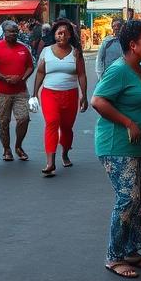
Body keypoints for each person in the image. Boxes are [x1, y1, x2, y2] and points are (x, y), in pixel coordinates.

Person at [91, 19, 141, 279]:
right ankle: (114, 255)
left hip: (140, 145)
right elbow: (98, 101)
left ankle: (131, 250)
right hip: (117, 145)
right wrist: (128, 122)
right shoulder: (119, 70)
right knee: (127, 198)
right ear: (133, 45)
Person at [33, 19, 88, 176]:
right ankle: (50, 162)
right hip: (50, 93)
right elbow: (40, 73)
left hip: (70, 94)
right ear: (54, 35)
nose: (61, 35)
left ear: (70, 35)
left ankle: (64, 153)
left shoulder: (76, 53)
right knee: (51, 123)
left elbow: (82, 75)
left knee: (66, 127)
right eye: (58, 33)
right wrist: (34, 93)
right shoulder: (46, 51)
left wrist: (84, 95)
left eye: (64, 33)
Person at [0, 20, 35, 162]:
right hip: (1, 91)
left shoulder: (23, 48)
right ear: (4, 32)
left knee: (24, 118)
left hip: (21, 91)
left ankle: (18, 146)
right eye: (10, 31)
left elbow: (30, 66)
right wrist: (4, 78)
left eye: (16, 31)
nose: (14, 34)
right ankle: (6, 149)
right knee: (4, 121)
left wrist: (22, 78)